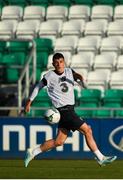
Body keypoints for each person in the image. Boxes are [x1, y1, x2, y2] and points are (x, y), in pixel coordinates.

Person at [24, 53, 117, 167]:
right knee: (87, 130)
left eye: (61, 62)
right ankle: (100, 158)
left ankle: (33, 152)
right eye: (56, 62)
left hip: (68, 111)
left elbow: (77, 77)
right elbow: (38, 87)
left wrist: (80, 79)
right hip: (64, 111)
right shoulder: (49, 76)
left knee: (59, 141)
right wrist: (29, 102)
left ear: (64, 62)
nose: (59, 64)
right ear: (53, 64)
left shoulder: (69, 72)